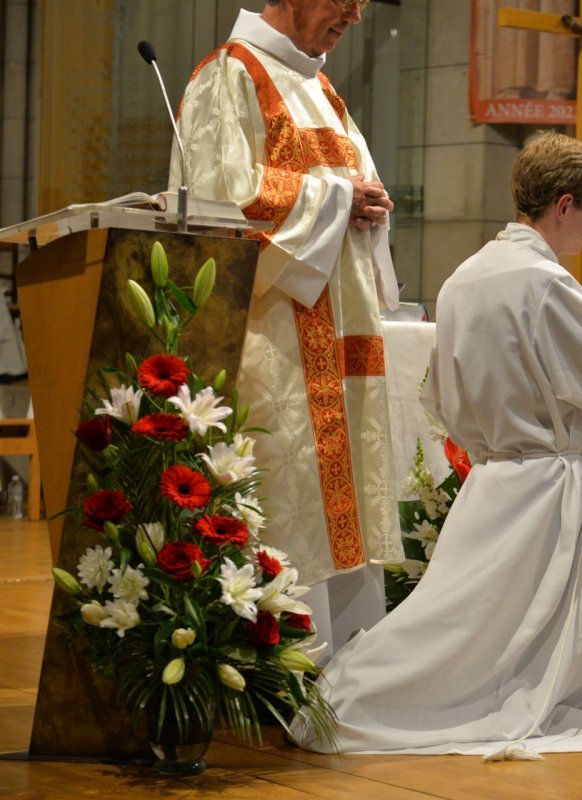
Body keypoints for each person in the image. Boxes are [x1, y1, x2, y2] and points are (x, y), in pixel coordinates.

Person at [293, 133, 582, 756]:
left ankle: (358, 692)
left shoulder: (467, 275)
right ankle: (369, 698)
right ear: (563, 205)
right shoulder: (544, 283)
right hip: (546, 483)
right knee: (494, 631)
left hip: (493, 480)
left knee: (464, 619)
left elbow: (443, 398)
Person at [171, 0, 402, 655]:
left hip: (344, 333)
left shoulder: (320, 87)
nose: (355, 17)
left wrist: (369, 203)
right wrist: (337, 197)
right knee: (290, 500)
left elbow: (352, 184)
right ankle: (287, 669)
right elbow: (223, 200)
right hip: (277, 341)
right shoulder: (229, 76)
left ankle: (353, 663)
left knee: (345, 503)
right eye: (346, 1)